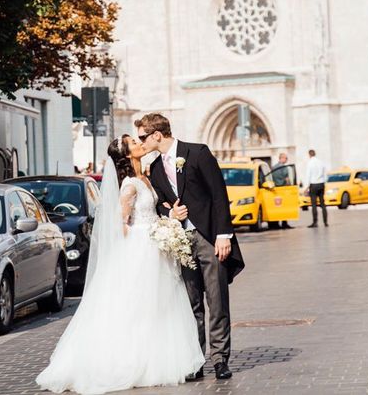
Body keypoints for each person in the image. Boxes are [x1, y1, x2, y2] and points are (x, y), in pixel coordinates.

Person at [36, 135, 204, 393]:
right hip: (141, 248)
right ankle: (131, 362)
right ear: (127, 154)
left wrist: (166, 221)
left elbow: (152, 210)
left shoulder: (145, 177)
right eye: (133, 142)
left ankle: (156, 359)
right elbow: (122, 222)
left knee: (160, 305)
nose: (139, 143)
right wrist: (138, 246)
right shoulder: (129, 185)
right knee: (141, 306)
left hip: (155, 245)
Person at [137, 113, 244, 382]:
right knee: (191, 304)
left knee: (217, 300)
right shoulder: (156, 169)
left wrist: (224, 235)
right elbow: (160, 204)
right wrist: (170, 214)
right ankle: (196, 360)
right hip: (181, 242)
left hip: (209, 237)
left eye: (143, 137)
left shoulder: (197, 153)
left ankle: (220, 360)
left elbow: (219, 194)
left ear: (157, 135)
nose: (141, 143)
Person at [305, 149, 329, 228]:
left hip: (313, 184)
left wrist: (306, 187)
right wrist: (323, 182)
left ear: (309, 155)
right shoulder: (321, 162)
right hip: (321, 184)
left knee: (314, 204)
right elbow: (325, 174)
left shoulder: (310, 163)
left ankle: (315, 222)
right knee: (323, 204)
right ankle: (325, 222)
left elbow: (308, 175)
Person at [272, 153, 293, 229]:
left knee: (276, 206)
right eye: (286, 158)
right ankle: (284, 223)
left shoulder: (273, 167)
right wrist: (290, 186)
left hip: (275, 190)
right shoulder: (284, 168)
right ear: (281, 158)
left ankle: (276, 223)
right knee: (284, 206)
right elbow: (287, 179)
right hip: (283, 189)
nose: (286, 160)